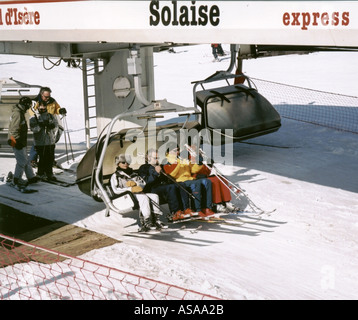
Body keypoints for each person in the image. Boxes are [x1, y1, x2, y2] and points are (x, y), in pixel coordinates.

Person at [138, 149, 197, 222]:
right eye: (155, 158)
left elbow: (165, 178)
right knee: (171, 187)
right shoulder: (144, 167)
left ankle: (186, 209)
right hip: (151, 188)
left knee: (180, 184)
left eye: (158, 158)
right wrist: (156, 173)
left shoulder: (159, 166)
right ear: (148, 157)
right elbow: (145, 182)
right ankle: (175, 212)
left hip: (162, 186)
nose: (157, 160)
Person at [110, 154, 166, 231]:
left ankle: (155, 220)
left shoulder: (133, 174)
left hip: (137, 193)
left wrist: (138, 186)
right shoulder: (116, 176)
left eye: (127, 162)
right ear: (118, 163)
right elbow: (115, 190)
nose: (126, 164)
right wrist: (130, 189)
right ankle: (145, 222)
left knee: (154, 196)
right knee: (144, 197)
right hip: (126, 196)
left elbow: (142, 182)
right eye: (123, 162)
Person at [163, 147, 215, 219]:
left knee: (207, 181)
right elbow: (172, 174)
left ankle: (206, 208)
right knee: (196, 184)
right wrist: (178, 163)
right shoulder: (167, 162)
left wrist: (198, 162)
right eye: (174, 150)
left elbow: (194, 170)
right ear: (168, 153)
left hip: (189, 179)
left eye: (177, 150)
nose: (176, 152)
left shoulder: (182, 159)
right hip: (179, 181)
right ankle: (197, 209)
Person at [188, 145, 238, 213]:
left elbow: (206, 170)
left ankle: (226, 201)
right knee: (214, 181)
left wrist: (209, 165)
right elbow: (192, 169)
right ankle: (217, 203)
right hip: (195, 177)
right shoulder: (189, 155)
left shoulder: (200, 153)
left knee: (221, 179)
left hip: (203, 175)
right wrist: (200, 165)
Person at [29, 87, 66, 167]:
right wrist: (40, 121)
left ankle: (50, 159)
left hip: (50, 123)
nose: (47, 98)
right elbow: (32, 112)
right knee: (38, 142)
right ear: (41, 94)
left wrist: (60, 110)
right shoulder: (35, 101)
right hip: (40, 124)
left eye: (48, 96)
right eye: (46, 97)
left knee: (50, 142)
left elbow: (56, 109)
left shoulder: (52, 101)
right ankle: (33, 159)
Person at [7, 97, 39, 189]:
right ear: (25, 105)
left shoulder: (20, 112)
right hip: (17, 141)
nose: (29, 108)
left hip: (21, 141)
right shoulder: (17, 114)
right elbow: (14, 130)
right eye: (28, 106)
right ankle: (17, 179)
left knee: (25, 160)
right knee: (21, 161)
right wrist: (16, 142)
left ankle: (31, 177)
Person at [29, 102, 59, 181]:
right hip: (40, 142)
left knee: (50, 158)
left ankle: (49, 173)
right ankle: (40, 173)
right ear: (38, 108)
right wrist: (40, 125)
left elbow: (56, 126)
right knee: (42, 158)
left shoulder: (50, 116)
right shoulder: (34, 117)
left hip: (50, 141)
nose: (42, 110)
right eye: (41, 108)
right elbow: (34, 129)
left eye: (44, 108)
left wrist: (51, 126)